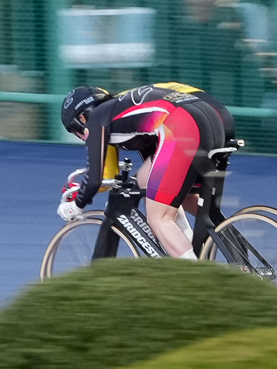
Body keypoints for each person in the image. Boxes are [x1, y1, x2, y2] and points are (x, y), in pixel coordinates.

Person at [58, 83, 235, 259]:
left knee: (158, 219)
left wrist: (75, 205)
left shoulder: (96, 119)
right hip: (210, 120)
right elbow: (157, 167)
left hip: (182, 125)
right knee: (150, 182)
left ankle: (196, 279)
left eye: (76, 132)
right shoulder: (119, 109)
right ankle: (198, 243)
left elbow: (94, 178)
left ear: (81, 119)